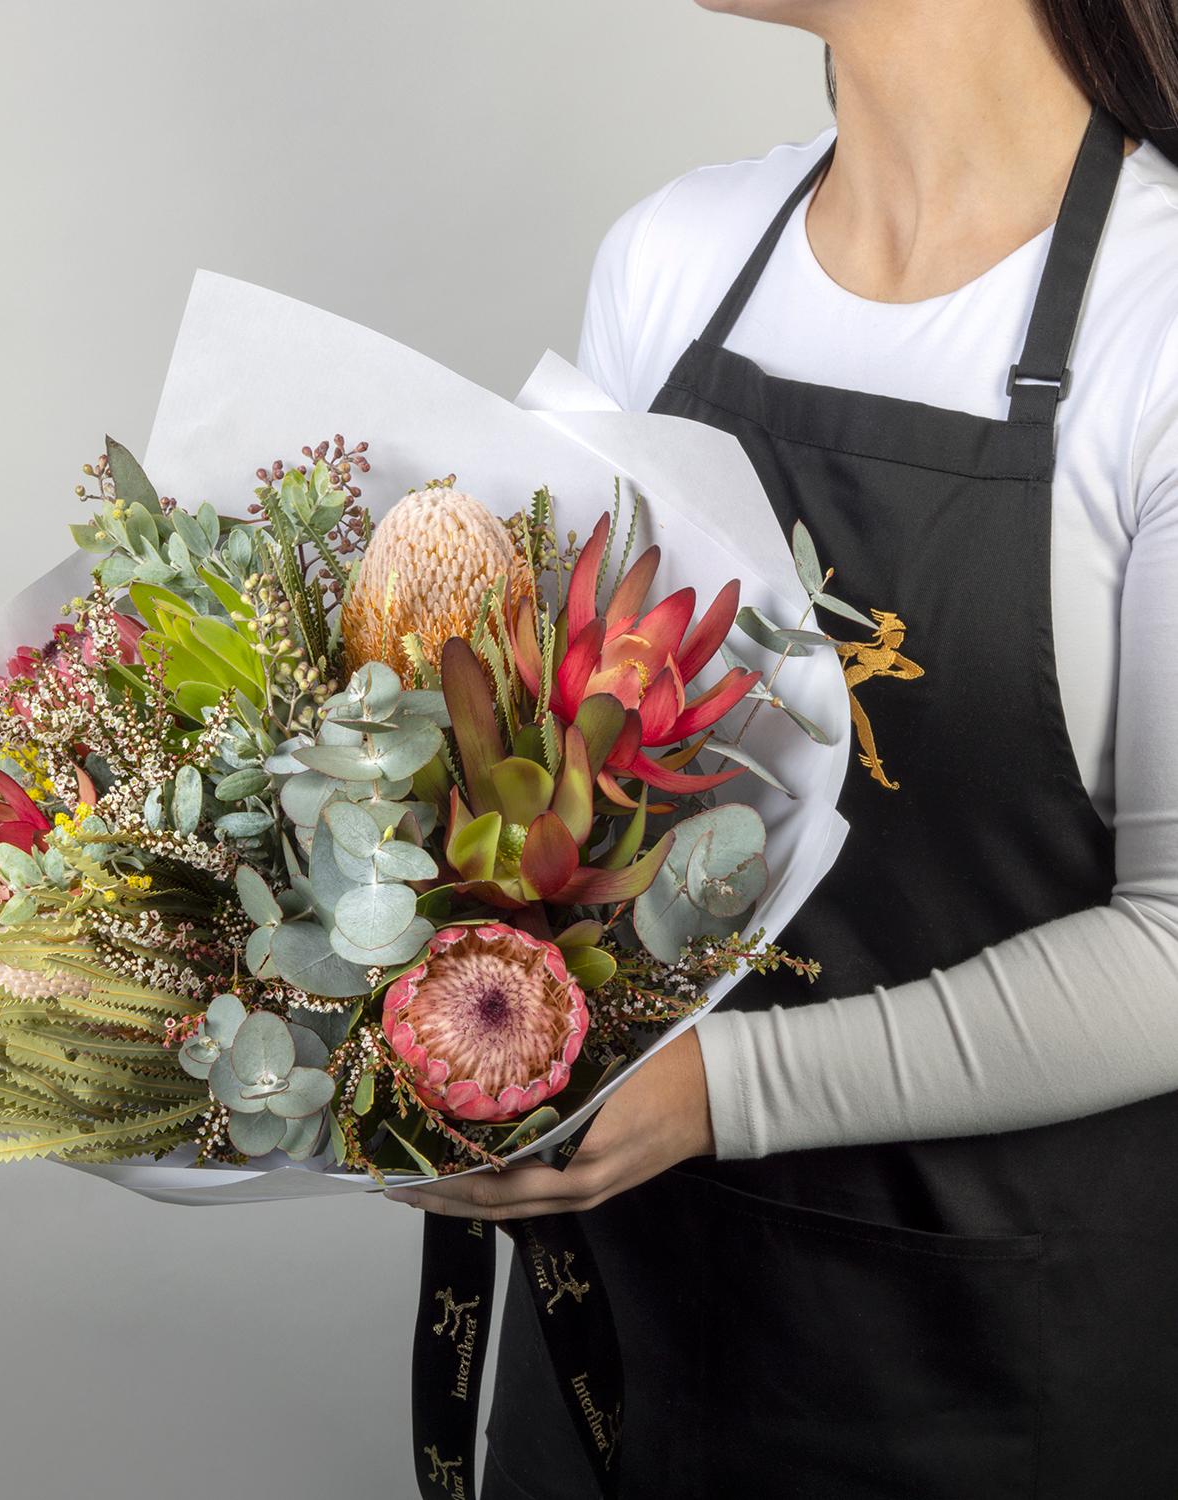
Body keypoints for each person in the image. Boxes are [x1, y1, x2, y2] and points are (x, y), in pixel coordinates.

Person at [382, 0, 1178, 1494]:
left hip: (997, 1369)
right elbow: (561, 781)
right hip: (627, 1323)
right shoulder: (678, 261)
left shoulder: (1165, 324)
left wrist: (710, 1096)